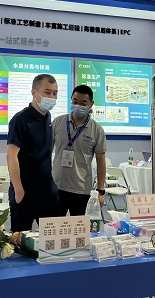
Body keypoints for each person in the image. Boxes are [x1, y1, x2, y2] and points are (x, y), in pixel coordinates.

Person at [7, 74, 60, 232]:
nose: (51, 97)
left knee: (52, 239)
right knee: (20, 240)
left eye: (55, 93)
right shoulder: (20, 120)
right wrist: (18, 190)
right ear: (34, 92)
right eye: (47, 92)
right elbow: (11, 156)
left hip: (47, 191)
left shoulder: (47, 117)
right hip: (24, 191)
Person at [52, 85, 107, 216]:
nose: (78, 106)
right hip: (57, 186)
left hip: (82, 189)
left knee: (80, 227)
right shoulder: (57, 122)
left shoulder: (97, 130)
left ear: (91, 104)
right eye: (75, 101)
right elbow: (46, 152)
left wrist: (100, 190)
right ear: (71, 100)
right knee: (55, 225)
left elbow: (101, 161)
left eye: (83, 103)